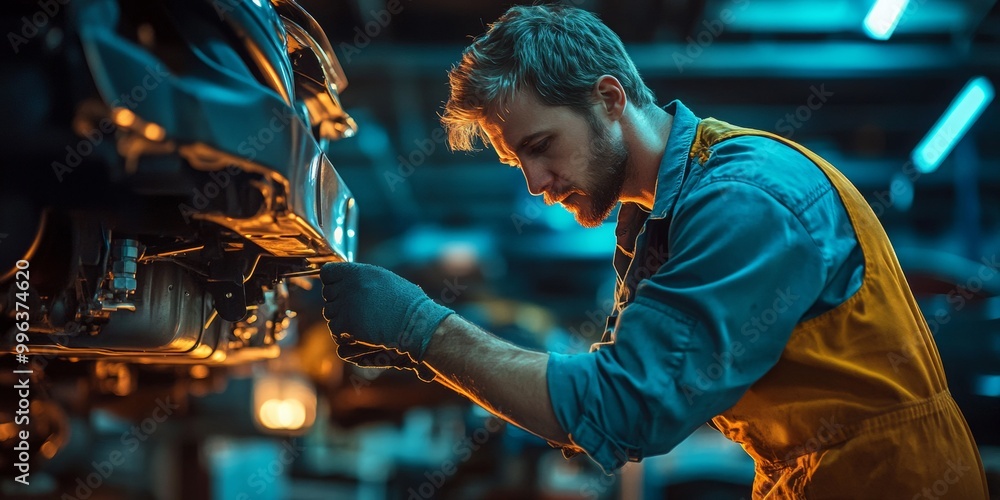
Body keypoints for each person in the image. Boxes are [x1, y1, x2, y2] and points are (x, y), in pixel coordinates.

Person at [320, 4, 989, 497]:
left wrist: (420, 329)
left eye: (540, 146)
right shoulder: (655, 222)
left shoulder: (742, 200)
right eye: (514, 161)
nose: (535, 184)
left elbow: (621, 410)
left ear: (610, 98)